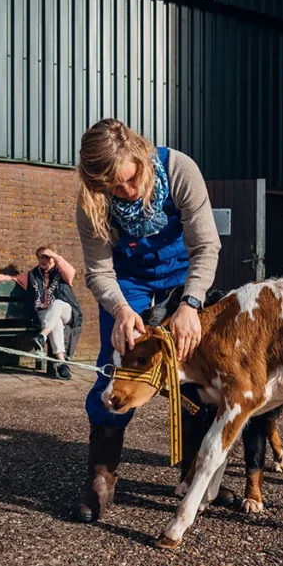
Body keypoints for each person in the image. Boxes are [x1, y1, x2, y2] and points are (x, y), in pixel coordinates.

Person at [72, 118, 234, 523]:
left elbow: (206, 246)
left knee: (195, 367)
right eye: (114, 188)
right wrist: (122, 311)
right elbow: (98, 272)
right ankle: (102, 475)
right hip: (128, 284)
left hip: (184, 278)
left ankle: (194, 470)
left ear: (140, 155)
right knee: (116, 367)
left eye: (130, 180)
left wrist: (191, 304)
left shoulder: (180, 170)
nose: (126, 192)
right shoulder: (91, 203)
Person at [0, 246, 83, 380]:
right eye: (41, 257)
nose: (44, 260)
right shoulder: (32, 274)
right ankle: (62, 364)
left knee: (57, 304)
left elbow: (71, 273)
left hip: (66, 310)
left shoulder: (61, 271)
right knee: (55, 323)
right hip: (45, 314)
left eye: (47, 257)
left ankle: (42, 336)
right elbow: (13, 278)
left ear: (53, 258)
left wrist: (55, 255)